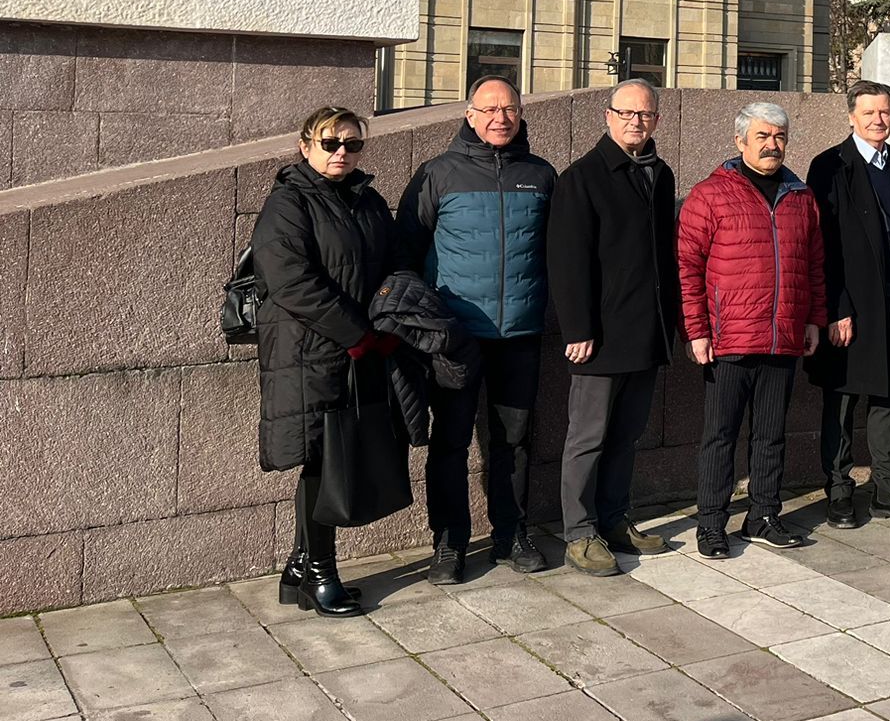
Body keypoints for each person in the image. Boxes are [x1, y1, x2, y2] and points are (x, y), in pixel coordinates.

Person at [397, 76, 556, 584]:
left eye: (508, 109)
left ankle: (511, 533)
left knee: (514, 439)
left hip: (521, 334)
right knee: (450, 442)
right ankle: (449, 544)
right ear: (469, 115)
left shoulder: (541, 174)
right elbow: (405, 253)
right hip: (455, 339)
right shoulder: (436, 174)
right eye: (488, 109)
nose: (499, 118)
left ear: (521, 114)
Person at [251, 106, 396, 617]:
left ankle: (299, 563)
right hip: (307, 351)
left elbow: (389, 263)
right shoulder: (288, 202)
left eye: (352, 144)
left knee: (333, 454)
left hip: (356, 350)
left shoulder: (367, 199)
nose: (341, 153)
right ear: (304, 146)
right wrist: (356, 333)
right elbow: (290, 281)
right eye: (330, 143)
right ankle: (320, 574)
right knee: (319, 461)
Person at [679, 101, 827, 558]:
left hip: (782, 337)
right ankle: (711, 523)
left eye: (779, 137)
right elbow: (688, 267)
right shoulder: (711, 194)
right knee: (720, 436)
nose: (771, 145)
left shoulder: (801, 197)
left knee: (771, 434)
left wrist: (813, 320)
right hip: (730, 339)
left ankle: (763, 514)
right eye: (762, 137)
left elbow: (815, 265)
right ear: (740, 140)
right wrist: (696, 331)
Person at [548, 80, 680, 577]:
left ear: (656, 121)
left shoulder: (659, 174)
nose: (635, 122)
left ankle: (614, 518)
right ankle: (579, 534)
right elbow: (567, 260)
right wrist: (578, 328)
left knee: (627, 435)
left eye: (644, 115)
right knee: (588, 438)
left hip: (646, 332)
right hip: (598, 337)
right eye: (625, 113)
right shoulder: (582, 177)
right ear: (607, 116)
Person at [806, 81, 890, 529]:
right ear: (851, 117)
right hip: (851, 309)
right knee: (841, 400)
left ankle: (887, 487)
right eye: (870, 113)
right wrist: (836, 308)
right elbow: (822, 244)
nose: (879, 120)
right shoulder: (831, 166)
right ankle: (839, 490)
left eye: (886, 112)